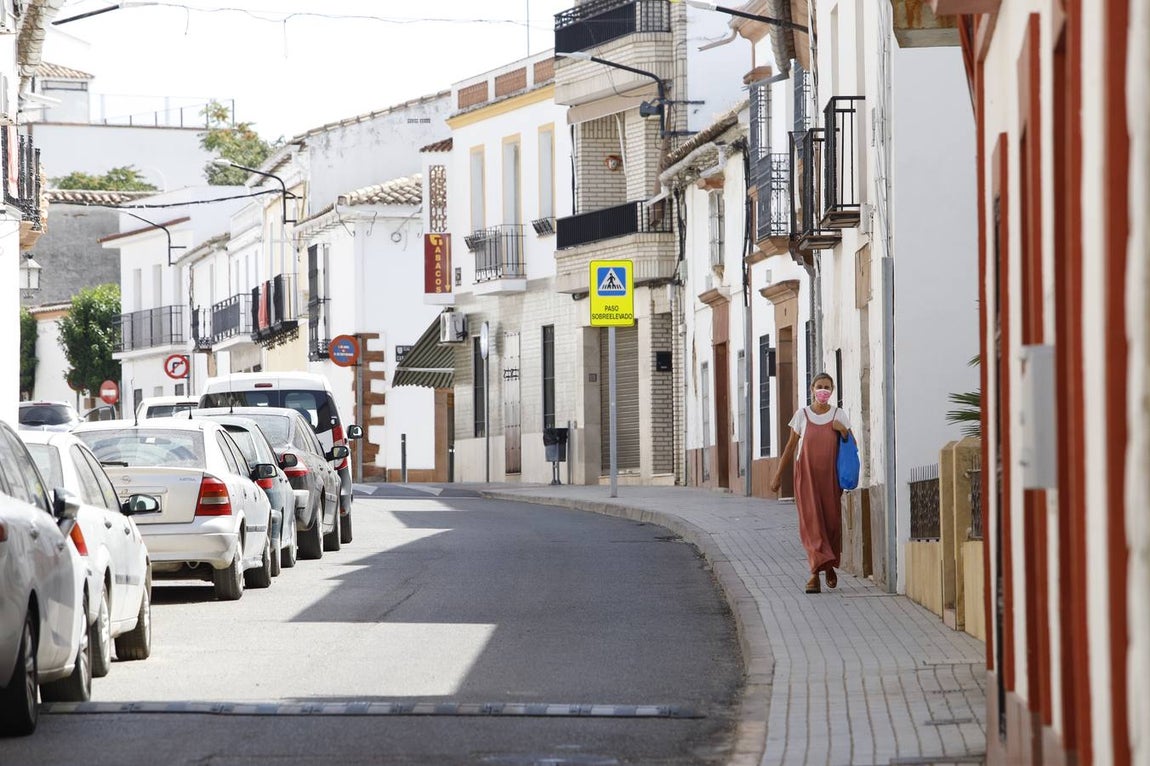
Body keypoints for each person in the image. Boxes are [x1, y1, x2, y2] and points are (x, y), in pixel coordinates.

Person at [770, 372, 852, 594]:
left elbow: (850, 445)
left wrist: (842, 430)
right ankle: (815, 573)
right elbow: (790, 447)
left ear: (832, 390)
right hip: (806, 477)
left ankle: (830, 565)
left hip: (831, 479)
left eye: (827, 387)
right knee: (811, 525)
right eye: (819, 386)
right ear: (812, 389)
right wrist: (778, 475)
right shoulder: (802, 415)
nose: (823, 391)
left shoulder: (839, 415)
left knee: (832, 523)